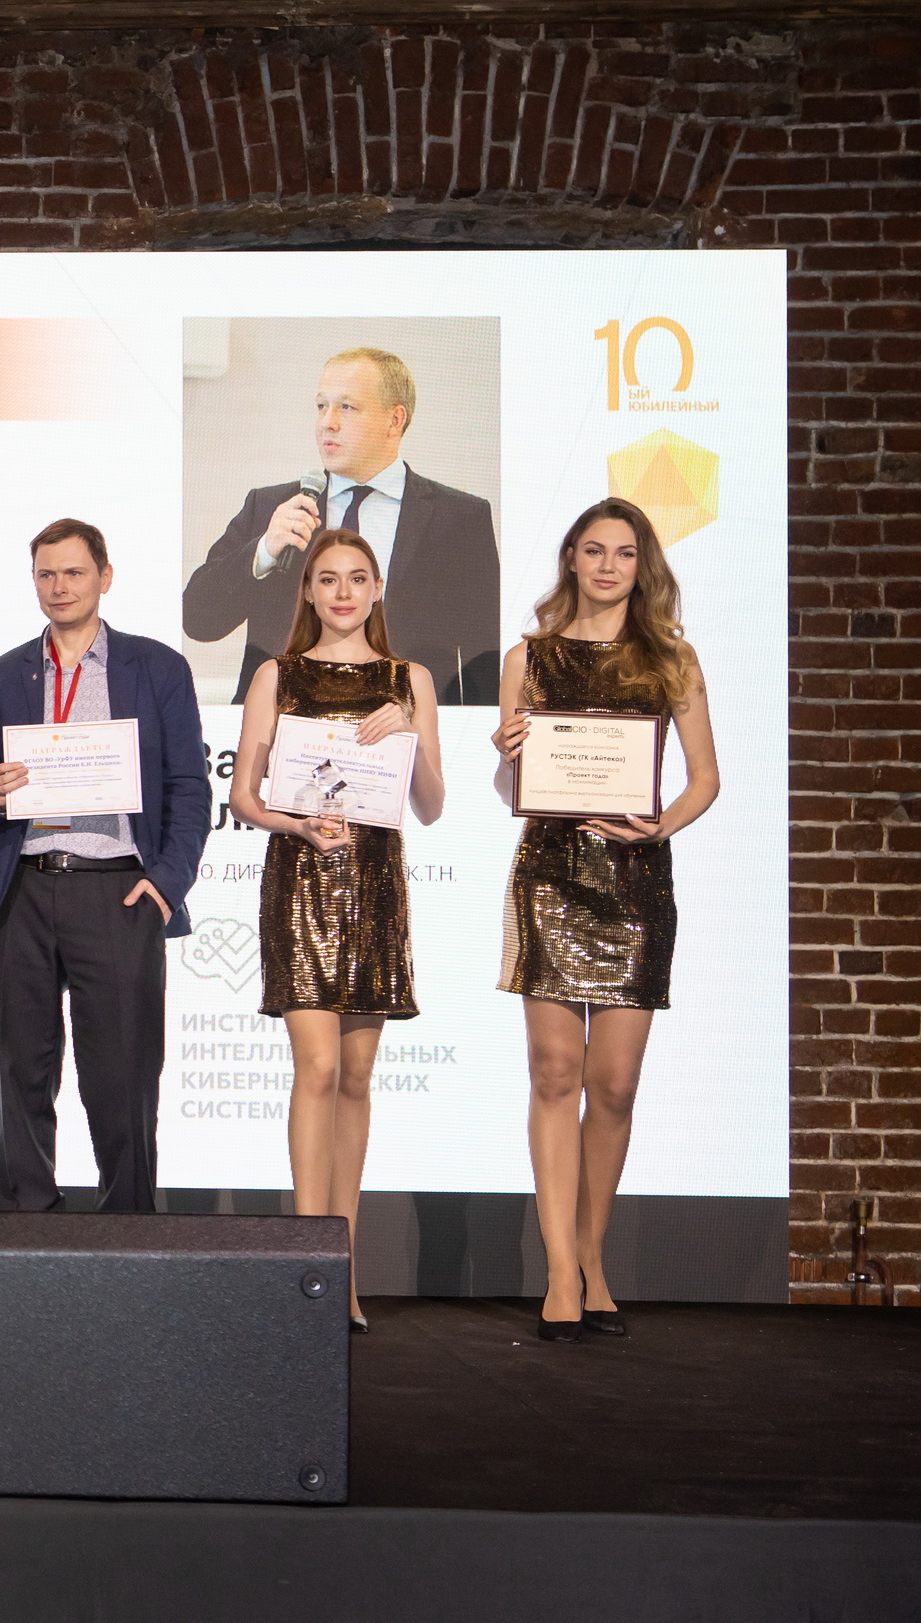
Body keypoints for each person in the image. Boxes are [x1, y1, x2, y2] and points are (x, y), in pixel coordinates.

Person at [491, 498, 719, 1343]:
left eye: (624, 553)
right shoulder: (529, 657)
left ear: (642, 565)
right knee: (555, 1073)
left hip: (634, 881)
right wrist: (510, 757)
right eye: (594, 550)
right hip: (550, 875)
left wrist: (660, 825)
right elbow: (516, 793)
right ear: (572, 559)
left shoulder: (671, 658)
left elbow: (704, 777)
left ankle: (592, 1253)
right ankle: (560, 1270)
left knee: (615, 1083)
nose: (608, 566)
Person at [227, 528, 446, 1332]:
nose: (343, 592)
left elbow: (431, 805)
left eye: (357, 578)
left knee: (356, 1077)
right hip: (301, 881)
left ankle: (342, 1264)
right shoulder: (277, 674)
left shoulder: (409, 681)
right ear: (308, 590)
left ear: (378, 587)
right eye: (328, 578)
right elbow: (244, 796)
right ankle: (306, 1264)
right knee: (316, 1068)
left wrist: (408, 734)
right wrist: (296, 824)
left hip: (375, 889)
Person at [0, 519, 210, 1214]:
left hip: (118, 890)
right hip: (21, 891)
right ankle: (28, 1227)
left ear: (105, 576)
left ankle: (125, 1231)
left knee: (122, 1075)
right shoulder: (5, 674)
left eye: (73, 572)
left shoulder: (156, 668)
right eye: (46, 574)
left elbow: (190, 789)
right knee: (20, 1072)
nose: (59, 587)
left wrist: (165, 883)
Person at [183, 345, 502, 704]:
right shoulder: (271, 507)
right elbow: (198, 621)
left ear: (395, 419)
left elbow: (483, 658)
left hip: (405, 723)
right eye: (322, 406)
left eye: (346, 407)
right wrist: (264, 551)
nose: (327, 422)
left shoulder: (459, 518)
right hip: (285, 722)